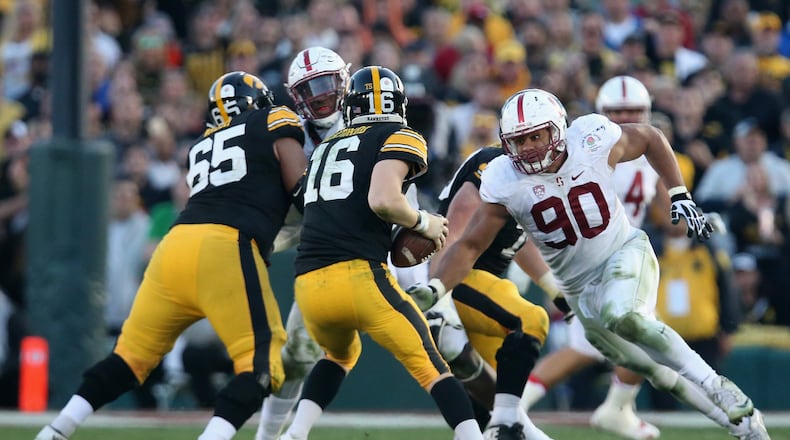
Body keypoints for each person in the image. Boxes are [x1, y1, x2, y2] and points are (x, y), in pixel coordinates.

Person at [408, 88, 770, 440]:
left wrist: (679, 194)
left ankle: (714, 383)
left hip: (622, 253)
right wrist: (437, 289)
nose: (529, 147)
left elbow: (651, 137)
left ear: (558, 129)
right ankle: (745, 426)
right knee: (652, 369)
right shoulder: (504, 178)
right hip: (580, 292)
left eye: (536, 136)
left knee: (624, 315)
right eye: (519, 140)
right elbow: (470, 244)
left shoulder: (589, 139)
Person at [35, 71, 308, 440]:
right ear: (258, 102)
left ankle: (55, 430)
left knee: (128, 358)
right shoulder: (274, 119)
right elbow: (303, 191)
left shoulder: (202, 143)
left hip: (174, 246)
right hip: (225, 246)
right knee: (263, 365)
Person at [276, 66, 483, 440]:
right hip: (358, 278)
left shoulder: (324, 147)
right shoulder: (399, 135)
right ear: (398, 105)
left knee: (340, 355)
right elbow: (383, 200)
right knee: (431, 365)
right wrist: (424, 222)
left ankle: (295, 433)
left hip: (308, 287)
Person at [521, 75, 663, 440]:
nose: (626, 118)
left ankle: (512, 406)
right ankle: (614, 409)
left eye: (634, 111)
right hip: (594, 261)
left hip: (617, 260)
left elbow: (663, 216)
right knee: (643, 338)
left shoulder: (642, 156)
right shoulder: (591, 155)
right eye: (618, 111)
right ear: (601, 113)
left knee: (586, 348)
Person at [423, 142, 569, 439]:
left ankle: (509, 426)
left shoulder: (532, 174)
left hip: (474, 281)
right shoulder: (495, 165)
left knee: (489, 397)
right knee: (530, 321)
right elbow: (455, 229)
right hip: (457, 277)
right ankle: (511, 425)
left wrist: (553, 287)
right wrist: (440, 297)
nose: (532, 147)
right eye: (525, 139)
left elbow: (517, 238)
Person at [256, 46, 350, 440]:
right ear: (295, 96)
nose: (320, 96)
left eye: (326, 83)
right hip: (321, 243)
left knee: (442, 340)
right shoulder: (291, 135)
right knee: (297, 355)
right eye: (308, 88)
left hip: (380, 241)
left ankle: (499, 419)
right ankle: (271, 436)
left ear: (343, 80)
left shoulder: (368, 118)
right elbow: (292, 218)